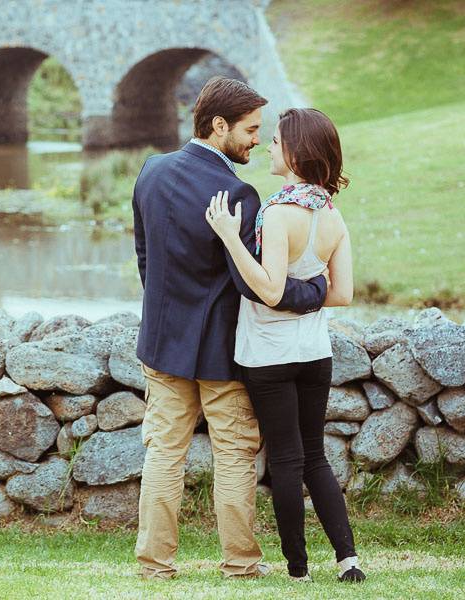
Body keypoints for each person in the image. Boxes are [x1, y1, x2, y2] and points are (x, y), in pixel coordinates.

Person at [132, 77, 329, 580]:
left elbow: (145, 260)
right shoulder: (237, 192)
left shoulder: (150, 171)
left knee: (163, 455)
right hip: (222, 349)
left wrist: (165, 312)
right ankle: (240, 563)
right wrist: (319, 290)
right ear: (218, 126)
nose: (257, 141)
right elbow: (255, 283)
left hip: (161, 343)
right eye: (249, 130)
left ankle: (155, 564)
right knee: (235, 455)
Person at [205, 107, 366, 583]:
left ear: (295, 151)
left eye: (276, 141)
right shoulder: (331, 215)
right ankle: (348, 561)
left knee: (287, 460)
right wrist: (310, 290)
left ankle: (298, 570)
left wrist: (231, 239)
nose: (269, 147)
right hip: (315, 354)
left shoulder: (276, 213)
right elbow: (341, 293)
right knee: (314, 456)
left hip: (269, 357)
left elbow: (270, 290)